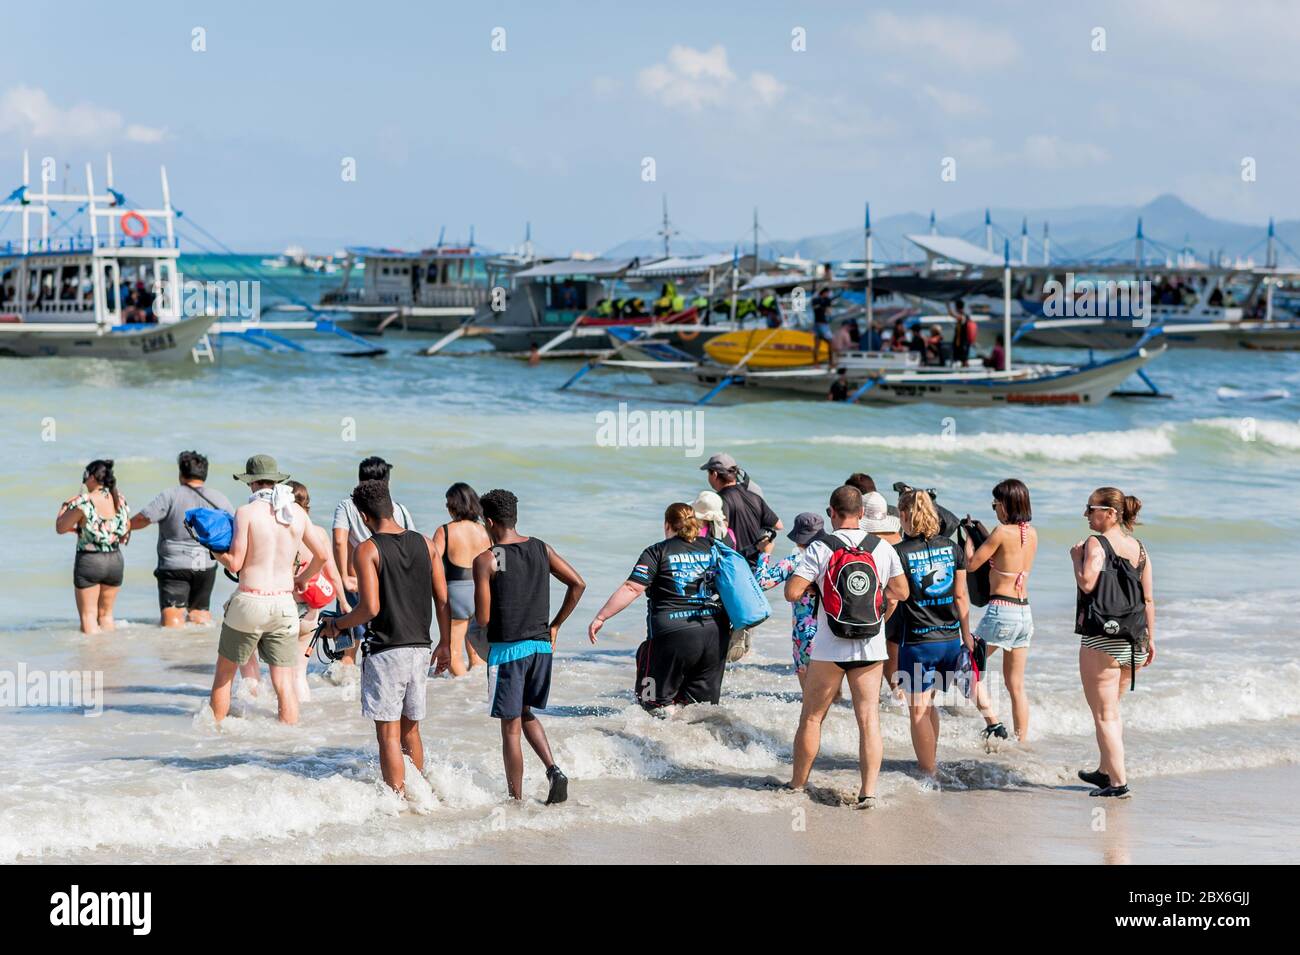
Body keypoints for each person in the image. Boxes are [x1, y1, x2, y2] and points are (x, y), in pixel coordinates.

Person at [320, 480, 448, 795]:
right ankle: (420, 796)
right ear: (391, 506)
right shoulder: (427, 543)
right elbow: (443, 599)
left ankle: (398, 799)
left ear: (363, 516)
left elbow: (369, 608)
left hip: (387, 650)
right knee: (411, 731)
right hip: (421, 647)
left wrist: (337, 625)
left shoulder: (367, 550)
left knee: (389, 736)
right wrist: (446, 643)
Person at [784, 486, 908, 809]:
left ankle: (797, 785)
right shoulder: (882, 548)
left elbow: (792, 592)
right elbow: (902, 592)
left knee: (811, 717)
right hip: (871, 646)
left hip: (829, 647)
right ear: (862, 514)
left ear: (831, 513)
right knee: (868, 719)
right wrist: (880, 606)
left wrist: (817, 583)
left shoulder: (820, 548)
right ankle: (868, 793)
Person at [474, 489, 585, 803]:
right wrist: (556, 624)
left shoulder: (490, 557)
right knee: (526, 714)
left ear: (490, 521)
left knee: (510, 729)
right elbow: (578, 584)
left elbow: (482, 618)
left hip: (509, 651)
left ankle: (515, 800)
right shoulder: (540, 548)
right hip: (540, 648)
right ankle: (553, 770)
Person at [210, 455, 327, 726]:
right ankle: (287, 743)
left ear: (250, 483)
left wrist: (216, 552)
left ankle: (211, 738)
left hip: (250, 600)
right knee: (284, 682)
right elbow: (321, 556)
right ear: (276, 481)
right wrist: (301, 579)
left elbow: (236, 563)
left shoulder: (246, 512)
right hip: (285, 604)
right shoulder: (296, 513)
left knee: (224, 675)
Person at [589, 503, 728, 709]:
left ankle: (656, 740)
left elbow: (632, 588)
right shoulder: (715, 547)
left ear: (667, 524)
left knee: (653, 703)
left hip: (672, 634)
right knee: (701, 709)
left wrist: (601, 617)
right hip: (715, 634)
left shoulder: (657, 551)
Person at [1072, 487, 1155, 799]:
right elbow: (1148, 598)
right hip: (1135, 639)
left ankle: (1118, 783)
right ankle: (1106, 770)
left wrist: (1076, 558)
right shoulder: (1140, 548)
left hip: (1102, 639)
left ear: (1110, 513)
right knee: (1112, 710)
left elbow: (1088, 582)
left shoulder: (1096, 543)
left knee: (1104, 713)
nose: (1086, 515)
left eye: (1091, 508)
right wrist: (1152, 640)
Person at [894, 489, 972, 781]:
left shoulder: (900, 552)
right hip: (950, 641)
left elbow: (896, 595)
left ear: (905, 515)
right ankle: (931, 761)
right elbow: (961, 597)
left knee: (917, 712)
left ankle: (929, 772)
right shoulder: (953, 549)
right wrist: (967, 637)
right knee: (929, 705)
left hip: (917, 642)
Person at [966, 479, 1037, 742]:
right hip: (1024, 613)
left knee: (966, 666)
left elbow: (972, 565)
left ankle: (993, 723)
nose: (994, 508)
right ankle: (1022, 741)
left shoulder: (1001, 532)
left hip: (1001, 612)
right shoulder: (1032, 534)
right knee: (1016, 685)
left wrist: (968, 542)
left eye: (995, 503)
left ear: (1005, 506)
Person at [331, 457, 416, 674]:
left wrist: (342, 576)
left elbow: (340, 541)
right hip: (390, 584)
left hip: (356, 582)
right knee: (385, 644)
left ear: (360, 479)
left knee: (349, 648)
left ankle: (345, 696)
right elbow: (411, 542)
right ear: (386, 482)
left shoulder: (347, 505)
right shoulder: (399, 509)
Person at [129, 450, 233, 628]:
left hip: (174, 565)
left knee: (173, 618)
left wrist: (125, 527)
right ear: (204, 474)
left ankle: (175, 653)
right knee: (200, 615)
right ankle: (196, 653)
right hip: (205, 566)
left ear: (181, 473)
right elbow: (232, 527)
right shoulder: (218, 498)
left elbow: (144, 518)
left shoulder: (170, 495)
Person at [285, 481, 351, 703]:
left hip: (285, 610)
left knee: (282, 673)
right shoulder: (320, 534)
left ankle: (284, 719)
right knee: (299, 674)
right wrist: (344, 603)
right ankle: (304, 716)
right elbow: (333, 574)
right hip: (311, 614)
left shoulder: (282, 532)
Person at [56, 459, 131, 635]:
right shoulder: (119, 499)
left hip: (90, 560)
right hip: (115, 560)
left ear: (91, 477)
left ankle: (92, 659)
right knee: (106, 616)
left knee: (89, 616)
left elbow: (60, 528)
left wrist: (64, 507)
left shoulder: (84, 501)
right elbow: (126, 530)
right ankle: (108, 654)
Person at [754, 512, 823, 690]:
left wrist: (764, 554)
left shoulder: (793, 562)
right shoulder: (832, 558)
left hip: (805, 632)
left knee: (809, 692)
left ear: (798, 539)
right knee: (830, 689)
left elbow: (760, 584)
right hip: (832, 630)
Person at [430, 482, 492, 676]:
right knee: (477, 655)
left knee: (453, 654)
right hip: (482, 591)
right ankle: (475, 693)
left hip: (456, 594)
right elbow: (499, 561)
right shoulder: (485, 530)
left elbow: (431, 562)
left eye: (448, 504)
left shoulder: (445, 531)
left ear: (454, 505)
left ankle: (461, 690)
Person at [699, 453, 781, 566]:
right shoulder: (754, 496)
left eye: (708, 473)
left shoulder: (719, 500)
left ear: (715, 474)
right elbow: (778, 525)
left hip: (735, 566)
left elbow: (722, 529)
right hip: (757, 564)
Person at [949, 298, 976, 365]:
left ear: (956, 307)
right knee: (963, 359)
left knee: (964, 360)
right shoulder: (965, 316)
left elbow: (952, 315)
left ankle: (965, 373)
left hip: (963, 343)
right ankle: (964, 373)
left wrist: (947, 304)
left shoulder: (962, 316)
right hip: (964, 343)